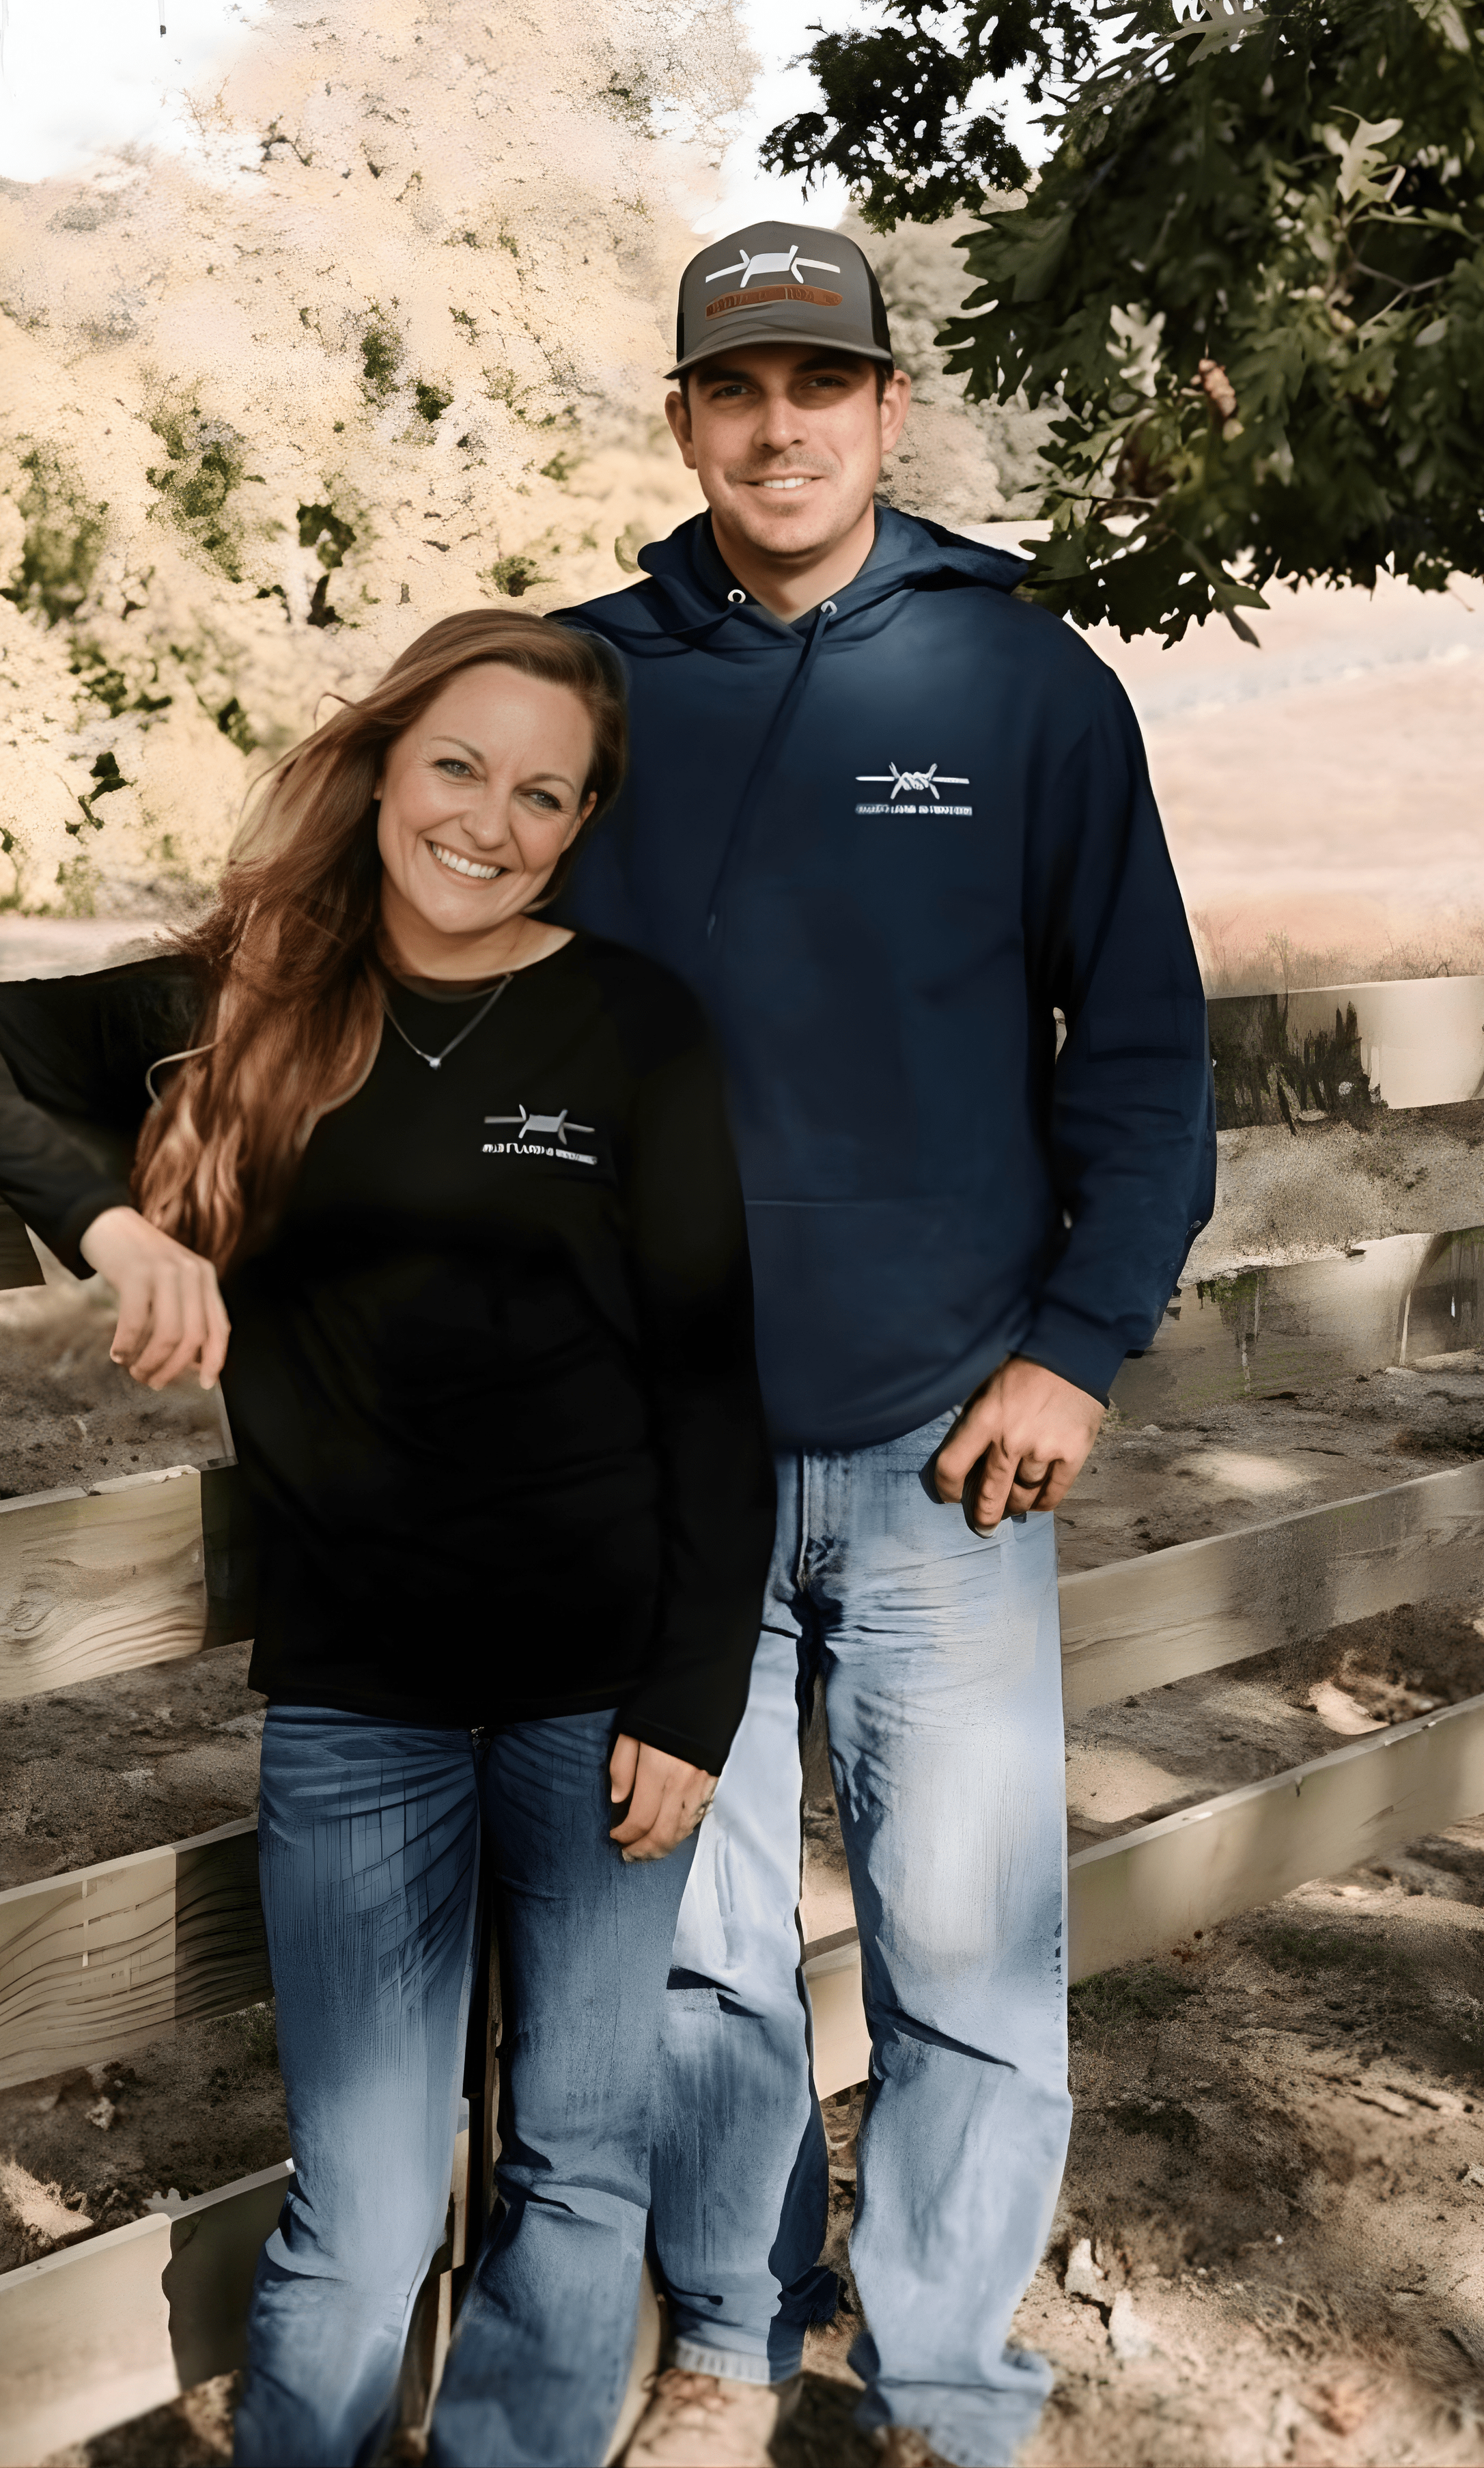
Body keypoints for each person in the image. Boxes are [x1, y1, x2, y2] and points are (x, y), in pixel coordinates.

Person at [0, 610, 774, 2468]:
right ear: (381, 761)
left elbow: (707, 1381)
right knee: (359, 2200)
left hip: (603, 1699)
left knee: (576, 2164)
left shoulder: (632, 1021)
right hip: (360, 1709)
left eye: (541, 794)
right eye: (458, 766)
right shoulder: (237, 1003)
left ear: (578, 825)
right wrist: (119, 1225)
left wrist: (694, 1692)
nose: (487, 822)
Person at [551, 224, 1216, 2468]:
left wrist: (1078, 1346)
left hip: (953, 1437)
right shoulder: (588, 688)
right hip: (663, 1443)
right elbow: (440, 987)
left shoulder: (1024, 688)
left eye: (815, 384)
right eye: (731, 389)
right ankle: (733, 2342)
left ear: (885, 406)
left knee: (965, 1950)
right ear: (681, 421)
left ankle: (944, 2382)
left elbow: (1135, 1052)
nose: (775, 426)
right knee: (696, 1949)